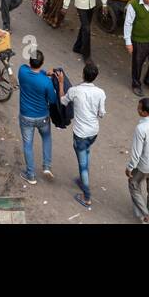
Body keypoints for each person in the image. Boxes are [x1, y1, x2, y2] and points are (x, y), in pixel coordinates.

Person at [58, 61, 105, 208]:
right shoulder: (101, 93)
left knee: (83, 164)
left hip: (80, 134)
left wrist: (60, 83)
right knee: (86, 153)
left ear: (83, 74)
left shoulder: (74, 91)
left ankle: (86, 197)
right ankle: (81, 179)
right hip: (93, 133)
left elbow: (62, 100)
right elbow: (101, 114)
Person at [17, 50, 56, 184]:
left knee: (28, 144)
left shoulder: (22, 71)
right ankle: (46, 166)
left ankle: (31, 174)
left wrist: (44, 72)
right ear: (42, 62)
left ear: (29, 62)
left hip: (26, 116)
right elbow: (52, 100)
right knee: (46, 137)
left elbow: (30, 68)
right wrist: (46, 73)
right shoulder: (46, 82)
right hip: (43, 117)